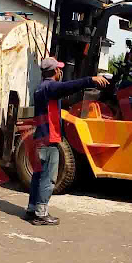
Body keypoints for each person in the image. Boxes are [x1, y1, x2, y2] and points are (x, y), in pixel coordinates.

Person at [25, 57, 109, 225]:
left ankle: (32, 209)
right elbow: (68, 87)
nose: (61, 71)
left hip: (40, 138)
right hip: (49, 141)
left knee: (38, 176)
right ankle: (41, 215)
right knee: (48, 178)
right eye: (59, 69)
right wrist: (90, 79)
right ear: (55, 71)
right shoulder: (50, 87)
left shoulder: (40, 88)